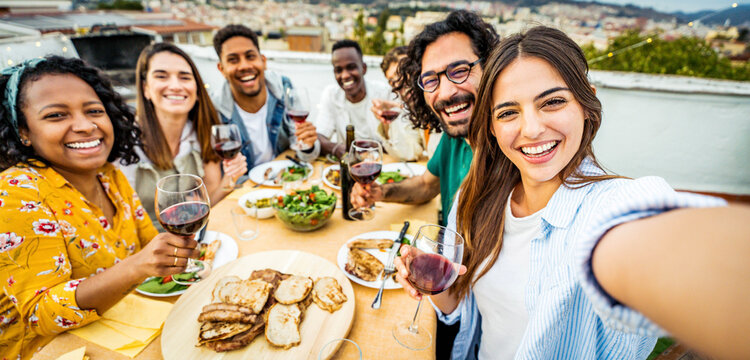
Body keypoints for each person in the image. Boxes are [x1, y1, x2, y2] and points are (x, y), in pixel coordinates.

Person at [394, 26, 750, 360]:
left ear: (586, 104)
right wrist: (435, 285)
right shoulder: (477, 196)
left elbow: (657, 246)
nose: (531, 129)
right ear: (491, 125)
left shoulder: (608, 208)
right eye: (508, 112)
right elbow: (463, 308)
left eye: (552, 102)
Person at [0, 56, 200, 359]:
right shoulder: (16, 191)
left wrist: (175, 255)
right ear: (23, 132)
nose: (85, 125)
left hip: (128, 328)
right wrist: (137, 267)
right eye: (56, 115)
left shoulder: (109, 174)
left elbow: (147, 242)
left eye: (94, 111)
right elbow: (40, 314)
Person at [351, 10, 499, 227]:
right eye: (430, 80)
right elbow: (426, 185)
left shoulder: (514, 154)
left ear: (491, 66)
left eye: (459, 71)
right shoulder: (454, 136)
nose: (446, 92)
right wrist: (381, 192)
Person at [120, 42, 247, 230]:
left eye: (185, 77)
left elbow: (209, 201)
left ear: (196, 90)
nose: (175, 86)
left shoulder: (203, 131)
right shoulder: (124, 144)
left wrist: (230, 178)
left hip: (194, 240)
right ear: (146, 89)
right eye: (162, 76)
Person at [211, 24, 319, 168]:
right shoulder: (214, 108)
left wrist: (309, 145)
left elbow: (306, 154)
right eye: (233, 60)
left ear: (263, 61)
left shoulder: (283, 88)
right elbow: (219, 173)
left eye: (250, 56)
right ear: (221, 69)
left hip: (284, 179)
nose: (244, 66)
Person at [315, 39, 392, 159]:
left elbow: (400, 142)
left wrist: (371, 147)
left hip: (383, 167)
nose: (345, 75)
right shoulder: (331, 95)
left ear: (364, 68)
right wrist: (335, 148)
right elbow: (319, 135)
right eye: (338, 70)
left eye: (351, 67)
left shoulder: (384, 94)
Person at [372, 46, 440, 160]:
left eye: (404, 72)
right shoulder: (418, 111)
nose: (399, 83)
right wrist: (386, 123)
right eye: (392, 81)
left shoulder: (444, 105)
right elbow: (410, 153)